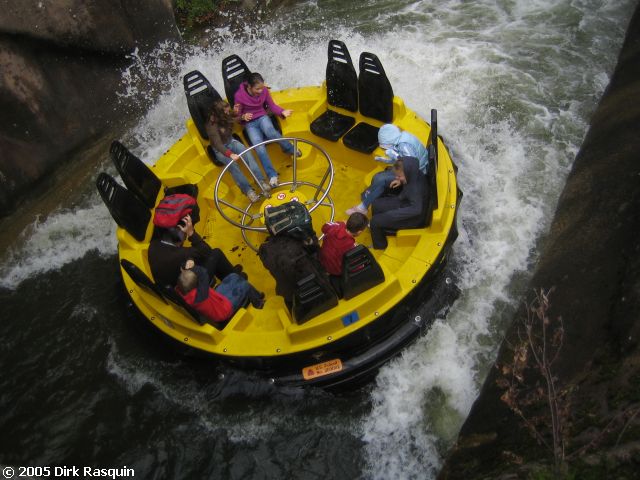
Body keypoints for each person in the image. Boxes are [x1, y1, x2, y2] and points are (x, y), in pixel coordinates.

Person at [234, 72, 301, 188]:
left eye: (262, 88)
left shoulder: (264, 90)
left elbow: (272, 105)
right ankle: (272, 175)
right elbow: (237, 117)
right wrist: (243, 117)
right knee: (259, 147)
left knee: (270, 131)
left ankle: (289, 148)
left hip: (262, 116)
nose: (261, 91)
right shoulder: (239, 96)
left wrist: (282, 111)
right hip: (250, 124)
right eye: (257, 89)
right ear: (249, 87)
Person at [346, 124, 429, 216]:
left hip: (418, 173)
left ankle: (363, 207)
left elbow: (411, 164)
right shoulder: (400, 137)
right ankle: (367, 196)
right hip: (410, 170)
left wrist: (399, 180)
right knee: (377, 177)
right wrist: (387, 160)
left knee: (382, 180)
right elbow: (404, 160)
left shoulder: (404, 146)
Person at [206, 99, 271, 202]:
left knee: (248, 154)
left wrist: (240, 116)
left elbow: (232, 117)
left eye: (228, 110)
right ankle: (248, 191)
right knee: (232, 165)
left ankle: (260, 181)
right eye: (226, 112)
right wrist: (230, 154)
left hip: (231, 141)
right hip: (220, 149)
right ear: (220, 114)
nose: (228, 112)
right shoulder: (211, 127)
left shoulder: (225, 114)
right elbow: (218, 145)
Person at [148, 214, 239, 287]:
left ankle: (229, 272)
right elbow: (206, 251)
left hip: (173, 281)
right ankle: (236, 280)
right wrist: (191, 232)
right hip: (191, 289)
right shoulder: (182, 254)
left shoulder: (154, 244)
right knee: (216, 254)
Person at [176, 262, 264, 324]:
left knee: (232, 276)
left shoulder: (181, 289)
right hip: (224, 310)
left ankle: (240, 280)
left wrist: (186, 273)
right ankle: (258, 302)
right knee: (245, 285)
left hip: (216, 299)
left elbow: (188, 279)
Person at [369, 157, 428, 249]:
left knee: (374, 221)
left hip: (414, 218)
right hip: (406, 202)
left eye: (399, 176)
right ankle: (380, 230)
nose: (397, 178)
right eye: (396, 176)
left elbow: (416, 210)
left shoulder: (415, 189)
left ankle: (380, 246)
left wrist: (390, 215)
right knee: (376, 204)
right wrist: (400, 181)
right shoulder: (414, 173)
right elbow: (408, 184)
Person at [319, 212, 369, 276]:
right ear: (359, 232)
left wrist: (341, 223)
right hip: (335, 270)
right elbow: (357, 266)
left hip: (322, 258)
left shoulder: (335, 227)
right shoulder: (352, 247)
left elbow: (324, 227)